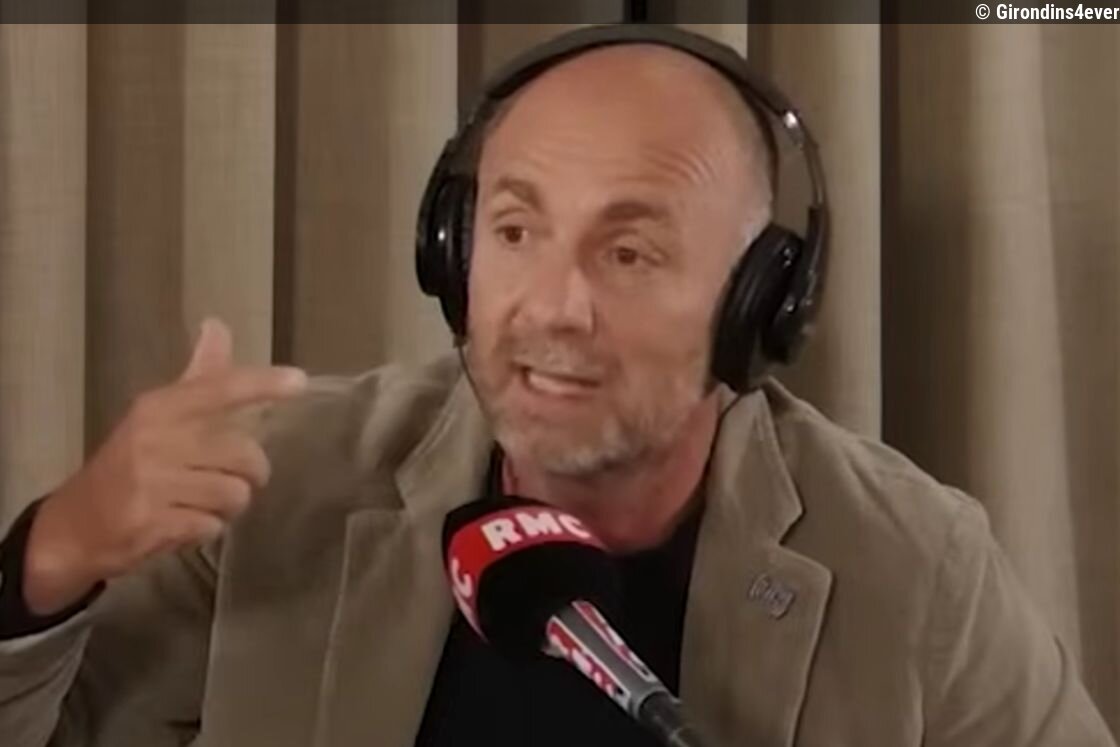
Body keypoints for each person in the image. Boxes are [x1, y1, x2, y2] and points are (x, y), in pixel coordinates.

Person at [0, 24, 1113, 747]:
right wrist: (51, 559)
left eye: (628, 252)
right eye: (515, 231)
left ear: (758, 304)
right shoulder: (282, 486)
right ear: (451, 254)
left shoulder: (911, 566)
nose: (554, 306)